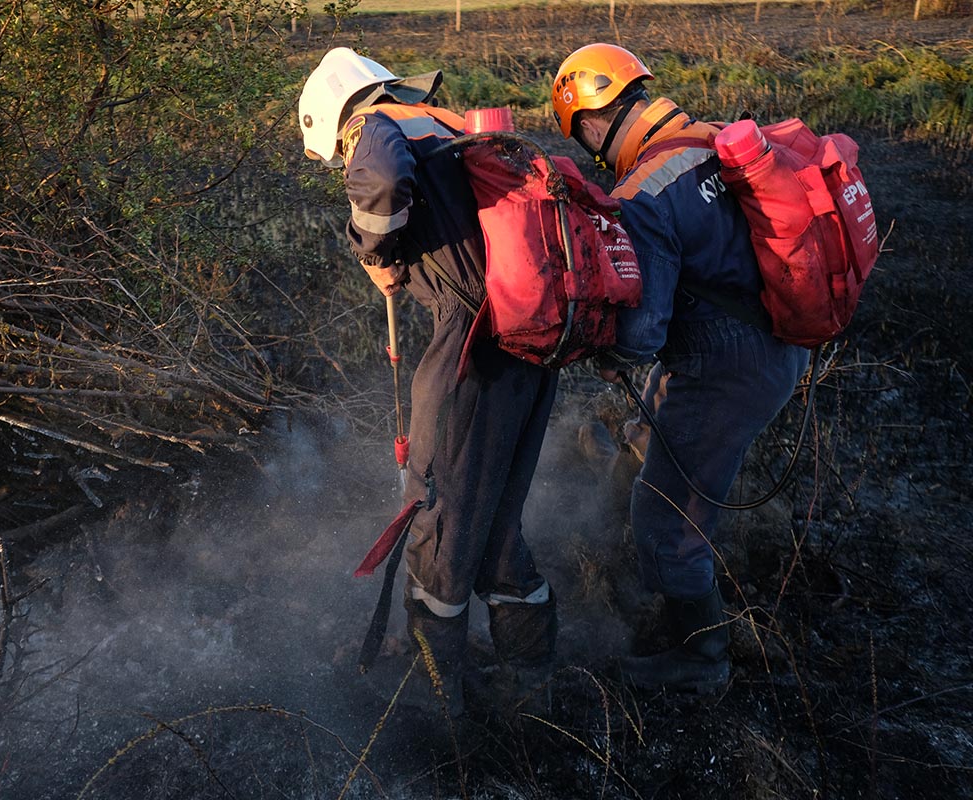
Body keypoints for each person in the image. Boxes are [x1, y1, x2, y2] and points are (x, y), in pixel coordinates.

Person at [299, 47, 559, 716]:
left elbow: (381, 182)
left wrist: (375, 251)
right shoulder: (443, 122)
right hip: (527, 342)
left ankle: (437, 700)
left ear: (335, 119)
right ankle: (529, 686)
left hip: (471, 342)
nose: (341, 162)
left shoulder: (378, 128)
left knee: (438, 517)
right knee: (496, 527)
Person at [550, 43, 810, 692]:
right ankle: (617, 546)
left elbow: (645, 333)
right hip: (773, 338)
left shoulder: (642, 191)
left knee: (668, 517)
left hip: (724, 364)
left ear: (588, 121)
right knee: (646, 454)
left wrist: (603, 349)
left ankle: (701, 657)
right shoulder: (710, 139)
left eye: (580, 133)